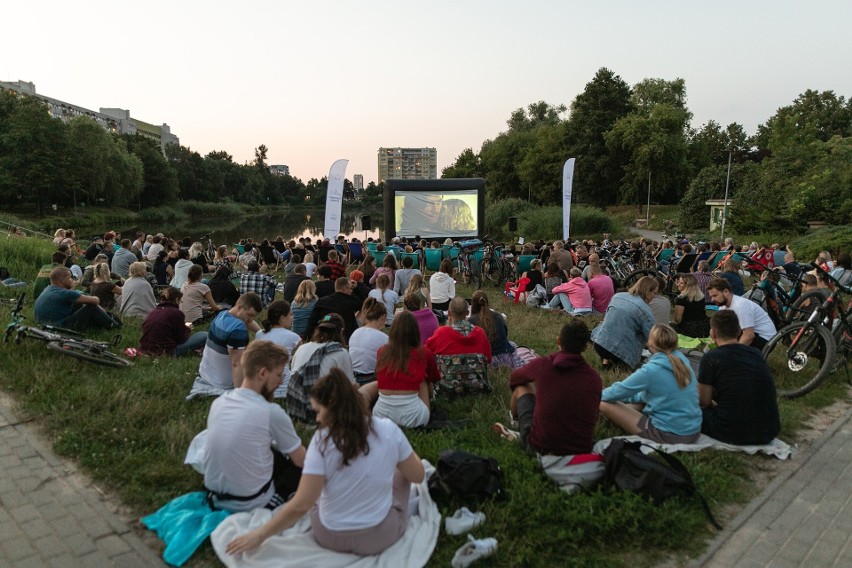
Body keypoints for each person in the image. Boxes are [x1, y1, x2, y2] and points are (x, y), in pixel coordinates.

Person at [226, 367, 425, 557]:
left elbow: (301, 505)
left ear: (332, 409)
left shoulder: (321, 441)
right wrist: (390, 457)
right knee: (402, 474)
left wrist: (260, 534)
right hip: (379, 537)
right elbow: (418, 475)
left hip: (330, 536)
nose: (318, 418)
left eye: (318, 411)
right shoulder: (388, 430)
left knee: (316, 493)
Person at [203, 341, 306, 512]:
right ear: (263, 373)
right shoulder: (271, 412)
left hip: (213, 497)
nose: (281, 382)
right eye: (279, 375)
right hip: (249, 503)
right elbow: (302, 462)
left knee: (273, 453)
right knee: (304, 467)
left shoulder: (219, 402)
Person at [496, 319, 601, 455]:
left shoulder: (543, 365)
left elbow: (515, 378)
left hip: (541, 447)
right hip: (581, 449)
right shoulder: (594, 378)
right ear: (585, 347)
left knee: (522, 386)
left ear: (558, 341)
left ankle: (517, 423)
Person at [599, 324, 702, 444]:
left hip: (669, 436)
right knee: (640, 399)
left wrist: (594, 394)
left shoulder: (651, 370)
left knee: (603, 403)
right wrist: (628, 399)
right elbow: (644, 395)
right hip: (692, 432)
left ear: (650, 344)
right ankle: (626, 411)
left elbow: (618, 391)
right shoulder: (682, 360)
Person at [698, 311, 781, 445]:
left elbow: (703, 402)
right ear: (739, 331)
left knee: (686, 409)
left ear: (712, 334)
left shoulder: (711, 358)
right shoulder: (755, 353)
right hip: (768, 430)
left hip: (732, 432)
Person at [359, 311, 441, 428]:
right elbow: (434, 378)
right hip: (415, 418)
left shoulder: (382, 352)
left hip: (381, 415)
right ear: (415, 331)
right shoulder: (423, 352)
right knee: (423, 379)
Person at [187, 293, 263, 399]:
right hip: (224, 382)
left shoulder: (223, 314)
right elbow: (237, 364)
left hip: (206, 374)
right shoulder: (238, 329)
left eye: (254, 316)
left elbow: (247, 321)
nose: (251, 319)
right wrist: (240, 394)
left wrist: (261, 333)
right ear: (239, 307)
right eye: (250, 315)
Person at [287, 314, 355, 423]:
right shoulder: (341, 353)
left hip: (297, 406)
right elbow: (350, 387)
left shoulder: (302, 348)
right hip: (322, 408)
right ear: (341, 331)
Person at [590, 276, 656, 370]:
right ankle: (616, 366)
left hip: (600, 344)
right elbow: (652, 339)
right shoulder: (646, 311)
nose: (654, 296)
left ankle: (606, 364)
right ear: (648, 291)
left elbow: (607, 319)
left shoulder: (617, 296)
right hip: (622, 355)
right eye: (654, 292)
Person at [34, 266, 120, 331]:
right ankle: (115, 326)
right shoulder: (65, 293)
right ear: (62, 279)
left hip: (43, 325)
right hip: (58, 327)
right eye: (70, 277)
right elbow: (96, 300)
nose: (72, 279)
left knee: (78, 303)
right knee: (91, 307)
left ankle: (101, 324)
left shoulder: (48, 289)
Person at [706, 278, 776, 349]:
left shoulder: (740, 306)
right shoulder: (723, 307)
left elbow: (749, 335)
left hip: (765, 338)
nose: (712, 300)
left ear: (726, 292)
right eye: (711, 296)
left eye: (715, 296)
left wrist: (735, 352)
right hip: (752, 333)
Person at [140, 288, 208, 357]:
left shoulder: (153, 311)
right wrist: (187, 329)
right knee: (204, 335)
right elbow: (181, 339)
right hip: (167, 352)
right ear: (176, 299)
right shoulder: (176, 313)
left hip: (145, 350)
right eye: (180, 301)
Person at [255, 300, 302, 399]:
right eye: (291, 314)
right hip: (286, 387)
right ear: (282, 318)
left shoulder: (259, 334)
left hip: (264, 386)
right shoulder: (294, 337)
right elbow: (302, 357)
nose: (292, 318)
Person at [425, 297, 492, 363]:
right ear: (468, 312)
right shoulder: (480, 333)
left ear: (449, 313)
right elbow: (488, 359)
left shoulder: (441, 333)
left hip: (446, 373)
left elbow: (426, 352)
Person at [468, 290, 521, 368]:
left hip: (486, 360)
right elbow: (505, 334)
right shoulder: (498, 316)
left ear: (473, 304)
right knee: (512, 344)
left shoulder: (471, 321)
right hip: (506, 357)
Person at [306, 277, 362, 343]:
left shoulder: (322, 301)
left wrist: (309, 337)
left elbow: (313, 320)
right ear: (345, 289)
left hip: (325, 335)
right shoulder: (351, 302)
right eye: (350, 288)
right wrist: (357, 288)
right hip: (345, 337)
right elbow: (362, 305)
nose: (352, 291)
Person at [348, 297, 389, 385]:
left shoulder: (355, 333)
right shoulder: (384, 338)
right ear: (383, 317)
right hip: (370, 379)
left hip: (352, 378)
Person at [672, 273, 710, 338]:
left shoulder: (681, 299)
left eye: (681, 283)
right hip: (704, 328)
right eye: (678, 282)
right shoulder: (701, 297)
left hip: (689, 330)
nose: (678, 284)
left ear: (688, 286)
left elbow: (678, 320)